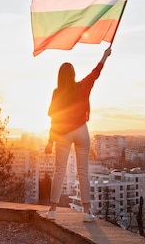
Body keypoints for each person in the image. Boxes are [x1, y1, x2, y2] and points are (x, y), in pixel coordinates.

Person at [44, 47, 112, 222]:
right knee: (84, 172)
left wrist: (50, 142)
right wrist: (105, 55)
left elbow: (55, 120)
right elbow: (96, 72)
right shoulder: (83, 86)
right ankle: (87, 212)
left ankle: (52, 210)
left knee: (59, 171)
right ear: (73, 74)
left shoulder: (56, 93)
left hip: (63, 134)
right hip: (82, 131)